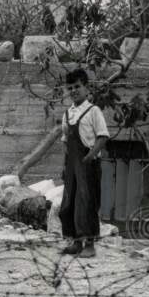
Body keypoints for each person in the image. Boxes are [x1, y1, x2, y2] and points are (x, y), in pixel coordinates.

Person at [59, 68, 109, 258]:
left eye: (77, 86)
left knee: (86, 202)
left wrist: (89, 157)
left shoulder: (93, 111)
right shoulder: (67, 114)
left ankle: (89, 245)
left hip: (88, 164)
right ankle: (76, 242)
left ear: (86, 88)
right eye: (70, 88)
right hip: (72, 165)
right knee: (69, 203)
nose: (74, 91)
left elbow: (102, 137)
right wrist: (65, 166)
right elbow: (66, 141)